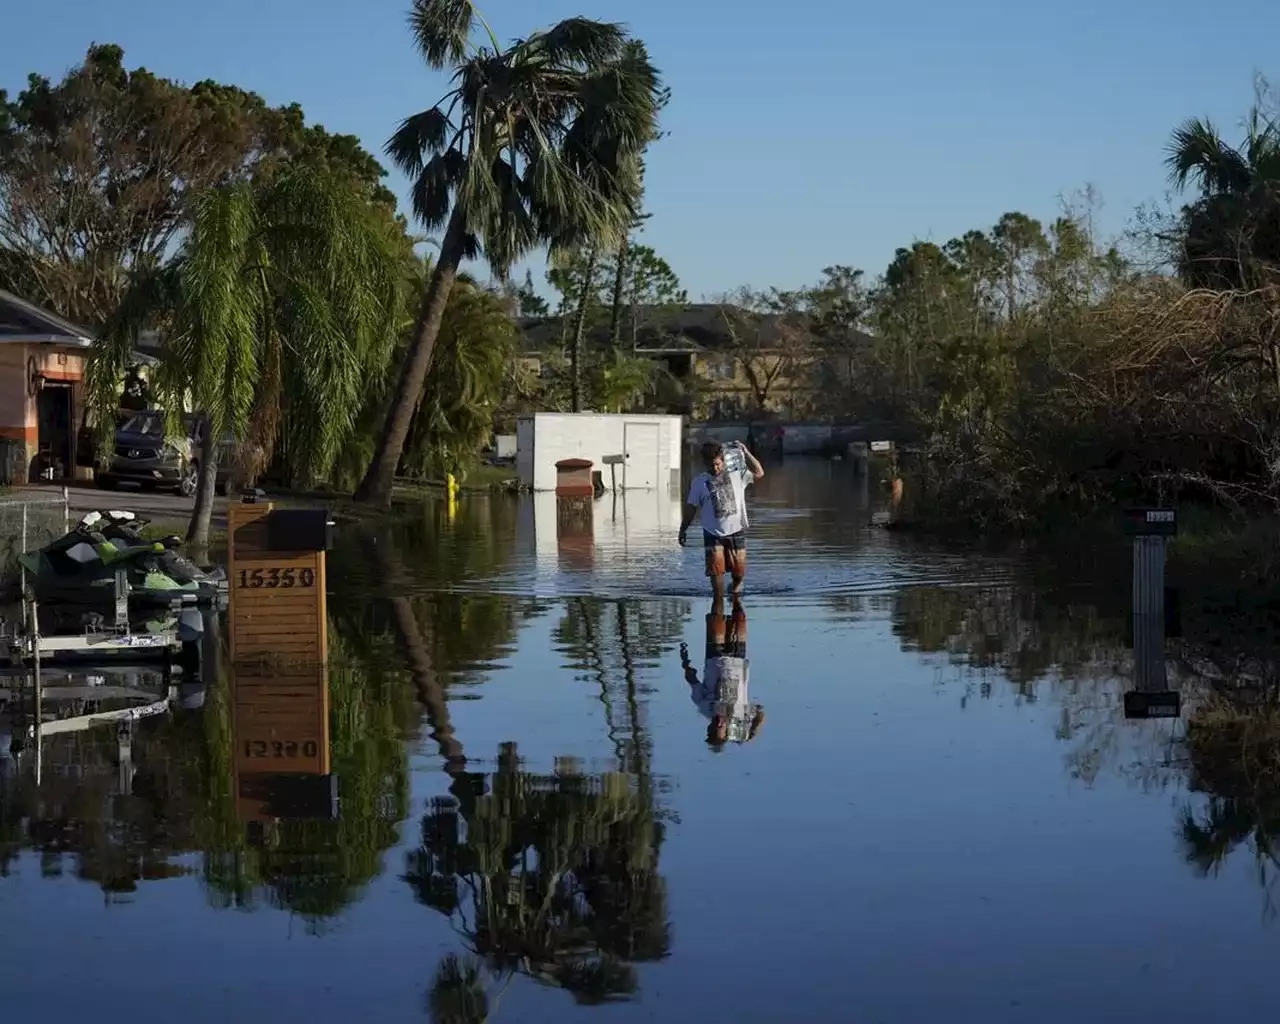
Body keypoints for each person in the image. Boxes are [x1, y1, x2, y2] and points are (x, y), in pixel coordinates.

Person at [678, 440, 764, 599]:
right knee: (716, 573)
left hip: (736, 530)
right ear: (704, 463)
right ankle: (718, 605)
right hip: (713, 533)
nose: (715, 468)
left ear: (723, 461)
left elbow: (759, 473)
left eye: (718, 464)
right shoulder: (699, 482)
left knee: (739, 573)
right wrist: (683, 529)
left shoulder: (737, 474)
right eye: (711, 465)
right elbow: (691, 508)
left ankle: (736, 590)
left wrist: (745, 452)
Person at [680, 597, 765, 750]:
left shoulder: (703, 707)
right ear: (726, 732)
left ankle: (717, 593)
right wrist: (752, 733)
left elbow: (693, 681)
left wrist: (686, 667)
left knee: (716, 616)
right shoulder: (741, 717)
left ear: (709, 728)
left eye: (712, 727)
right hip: (739, 659)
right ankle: (736, 594)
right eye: (719, 728)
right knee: (740, 618)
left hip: (715, 657)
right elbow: (760, 713)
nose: (717, 723)